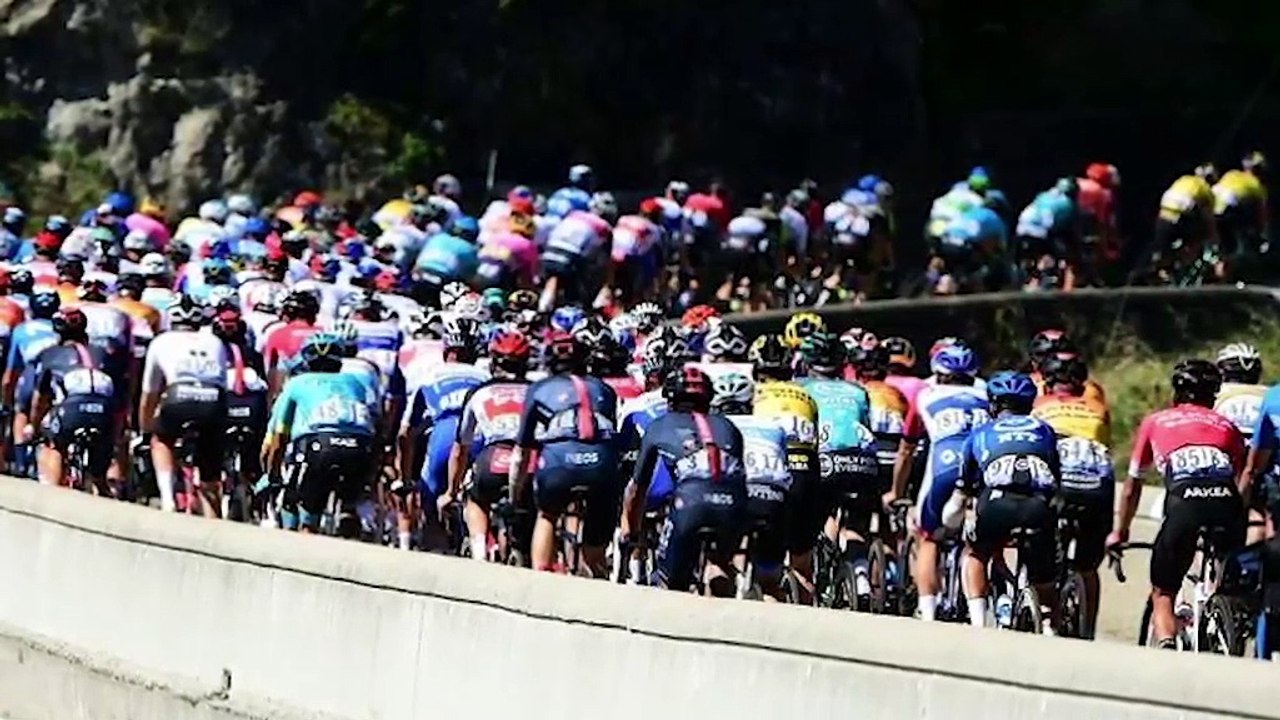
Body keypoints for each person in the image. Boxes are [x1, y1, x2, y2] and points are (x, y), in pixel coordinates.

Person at [1110, 360, 1246, 650]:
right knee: (1224, 570)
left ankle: (1168, 644)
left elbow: (1133, 485)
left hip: (1184, 502)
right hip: (1227, 503)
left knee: (1163, 590)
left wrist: (1120, 532)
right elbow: (1241, 477)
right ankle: (1221, 604)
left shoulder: (1156, 421)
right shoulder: (1228, 426)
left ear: (1176, 393)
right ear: (1213, 395)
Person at [622, 366, 747, 594]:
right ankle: (720, 590)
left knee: (671, 583)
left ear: (669, 399)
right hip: (732, 503)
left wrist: (630, 530)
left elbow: (637, 489)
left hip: (690, 503)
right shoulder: (729, 427)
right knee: (718, 564)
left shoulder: (659, 426)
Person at [888, 344, 989, 621]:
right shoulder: (986, 397)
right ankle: (980, 616)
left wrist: (896, 491)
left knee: (928, 537)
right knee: (976, 544)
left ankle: (928, 610)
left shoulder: (926, 396)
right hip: (982, 470)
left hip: (944, 467)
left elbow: (907, 450)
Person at [509, 330, 620, 576]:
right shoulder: (605, 389)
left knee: (548, 514)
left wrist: (516, 493)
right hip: (601, 463)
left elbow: (523, 449)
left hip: (559, 462)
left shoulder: (538, 389)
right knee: (599, 516)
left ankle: (541, 574)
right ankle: (596, 570)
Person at [957, 371, 1060, 630]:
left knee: (976, 552)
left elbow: (966, 484)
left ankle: (978, 622)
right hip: (1037, 506)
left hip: (997, 504)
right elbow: (1055, 476)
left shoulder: (981, 432)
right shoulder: (1045, 430)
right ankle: (1049, 625)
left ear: (993, 404)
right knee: (1045, 574)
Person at [1031, 353, 1114, 638]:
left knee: (1039, 547)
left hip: (1059, 484)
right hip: (1097, 484)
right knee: (1089, 567)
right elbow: (1105, 445)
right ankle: (1088, 629)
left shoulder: (1039, 406)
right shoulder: (1098, 407)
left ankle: (1048, 620)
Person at [796, 331, 880, 608]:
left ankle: (825, 561)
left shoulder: (801, 388)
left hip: (826, 460)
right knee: (856, 523)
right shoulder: (858, 390)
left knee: (818, 513)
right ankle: (860, 575)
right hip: (864, 463)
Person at [262, 332, 376, 536]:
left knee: (308, 515)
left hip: (319, 446)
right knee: (350, 502)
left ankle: (308, 540)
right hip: (360, 446)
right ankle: (350, 522)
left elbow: (279, 438)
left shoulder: (297, 383)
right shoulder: (355, 382)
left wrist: (272, 475)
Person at [444, 328, 533, 562]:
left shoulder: (479, 392)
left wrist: (451, 492)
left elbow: (460, 448)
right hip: (531, 461)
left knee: (475, 498)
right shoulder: (538, 391)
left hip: (493, 457)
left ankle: (480, 551)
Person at [401, 317, 490, 551]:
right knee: (484, 497)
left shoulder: (430, 375)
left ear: (447, 349)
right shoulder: (485, 377)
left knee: (430, 492)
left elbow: (405, 431)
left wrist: (405, 476)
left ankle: (434, 551)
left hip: (445, 433)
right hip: (481, 436)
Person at [139, 297, 230, 516]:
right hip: (213, 399)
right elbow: (223, 384)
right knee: (210, 465)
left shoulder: (161, 341)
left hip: (179, 394)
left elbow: (149, 392)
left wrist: (146, 426)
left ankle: (168, 499)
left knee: (161, 440)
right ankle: (213, 514)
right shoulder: (215, 341)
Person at [750, 333, 820, 602]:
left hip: (771, 475)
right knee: (802, 565)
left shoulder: (753, 396)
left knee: (767, 569)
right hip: (806, 472)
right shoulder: (807, 396)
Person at [713, 372, 793, 599]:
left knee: (717, 563)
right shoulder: (773, 426)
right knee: (770, 583)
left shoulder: (716, 428)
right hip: (772, 497)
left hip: (734, 496)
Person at [28, 307, 115, 491]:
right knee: (101, 465)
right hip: (104, 411)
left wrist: (34, 427)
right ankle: (103, 489)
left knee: (54, 445)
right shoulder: (104, 352)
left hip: (71, 410)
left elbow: (40, 399)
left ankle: (54, 493)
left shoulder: (50, 354)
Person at [3, 290, 59, 471]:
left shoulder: (22, 330)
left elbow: (12, 371)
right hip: (56, 378)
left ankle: (21, 462)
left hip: (31, 375)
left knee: (21, 411)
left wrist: (6, 399)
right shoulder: (60, 328)